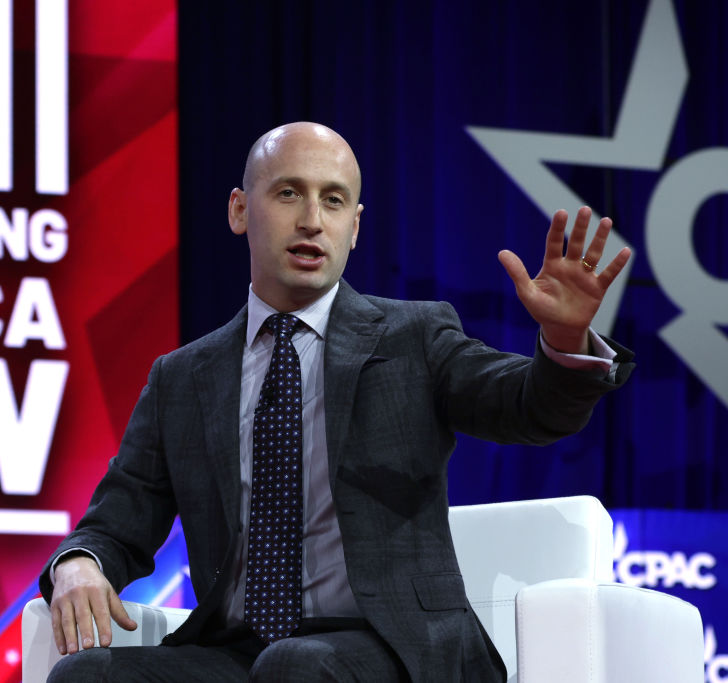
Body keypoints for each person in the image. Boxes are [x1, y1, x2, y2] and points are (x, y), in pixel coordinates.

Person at [39, 122, 633, 682]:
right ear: (239, 210)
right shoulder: (182, 378)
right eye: (289, 193)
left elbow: (528, 407)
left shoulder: (414, 337)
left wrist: (561, 344)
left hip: (399, 647)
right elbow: (118, 521)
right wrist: (81, 562)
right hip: (242, 652)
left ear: (354, 226)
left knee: (297, 666)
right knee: (85, 675)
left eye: (333, 200)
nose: (311, 221)